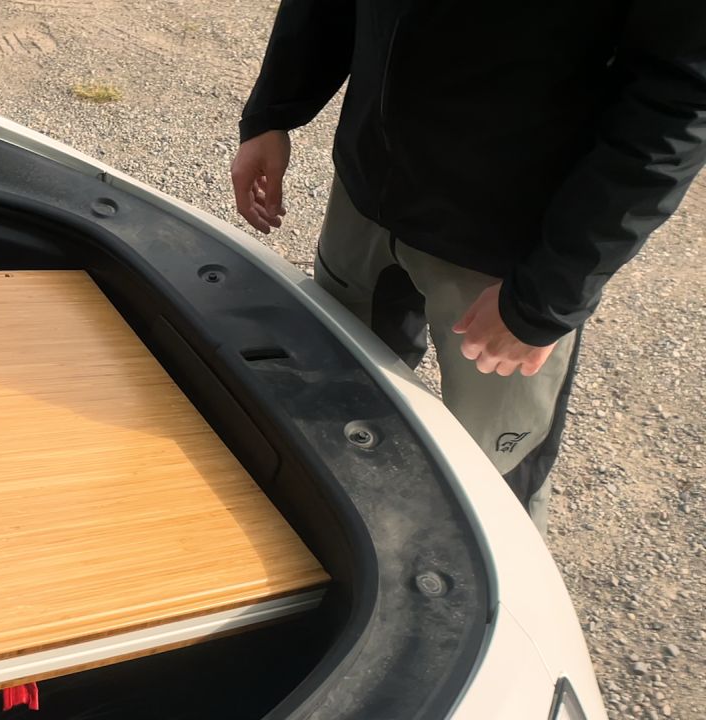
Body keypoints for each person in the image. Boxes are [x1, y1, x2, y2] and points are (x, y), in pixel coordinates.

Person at [232, 1, 706, 534]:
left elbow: (677, 97)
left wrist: (546, 297)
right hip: (365, 199)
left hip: (507, 253)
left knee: (494, 486)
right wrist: (272, 112)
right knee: (339, 402)